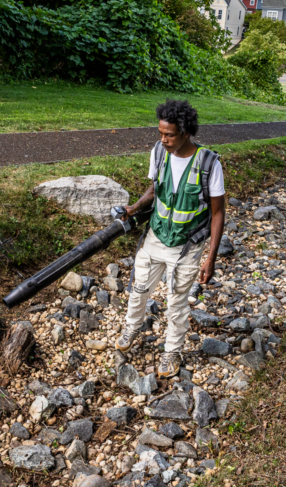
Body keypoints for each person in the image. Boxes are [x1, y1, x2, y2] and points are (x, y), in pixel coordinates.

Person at [113, 99, 226, 379]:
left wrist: (210, 259)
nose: (163, 139)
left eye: (169, 135)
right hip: (155, 237)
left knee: (176, 303)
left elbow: (218, 213)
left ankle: (171, 351)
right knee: (139, 289)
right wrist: (134, 208)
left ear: (185, 133)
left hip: (187, 247)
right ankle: (132, 326)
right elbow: (153, 191)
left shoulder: (209, 163)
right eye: (160, 133)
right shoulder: (159, 152)